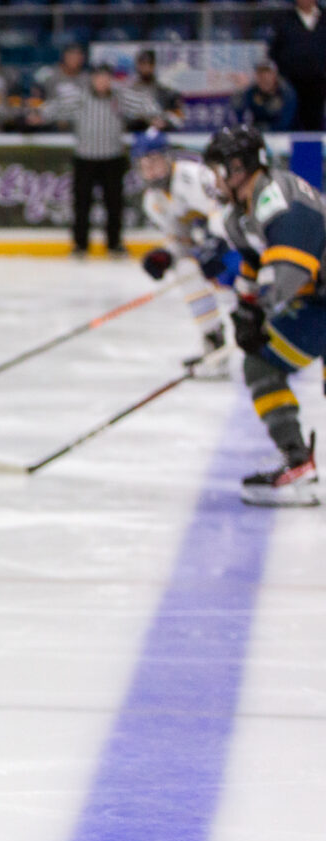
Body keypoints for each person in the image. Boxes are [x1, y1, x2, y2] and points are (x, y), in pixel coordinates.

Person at [198, 125, 322, 506]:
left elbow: (289, 273)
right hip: (318, 302)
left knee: (262, 364)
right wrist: (245, 309)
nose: (213, 179)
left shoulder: (278, 199)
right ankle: (299, 465)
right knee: (261, 364)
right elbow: (255, 265)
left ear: (238, 168)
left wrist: (259, 312)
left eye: (218, 169)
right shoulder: (241, 213)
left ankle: (300, 466)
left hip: (317, 299)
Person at [30, 63, 163, 258]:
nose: (102, 82)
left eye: (106, 78)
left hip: (113, 158)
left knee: (114, 204)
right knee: (82, 205)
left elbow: (144, 104)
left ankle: (114, 244)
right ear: (92, 79)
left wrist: (155, 116)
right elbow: (57, 106)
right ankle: (80, 245)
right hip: (85, 159)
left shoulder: (120, 97)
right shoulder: (79, 96)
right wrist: (39, 114)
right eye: (99, 78)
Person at [132, 129, 233, 378]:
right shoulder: (153, 200)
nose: (151, 170)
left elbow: (223, 210)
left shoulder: (192, 176)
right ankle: (214, 342)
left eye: (155, 161)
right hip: (215, 249)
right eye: (144, 164)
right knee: (185, 268)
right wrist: (166, 256)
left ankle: (265, 349)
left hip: (236, 242)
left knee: (236, 293)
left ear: (168, 158)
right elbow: (181, 242)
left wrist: (215, 241)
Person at [268, 0, 326, 132]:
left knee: (314, 120)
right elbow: (274, 50)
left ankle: (313, 144)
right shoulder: (285, 19)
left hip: (319, 80)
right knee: (290, 118)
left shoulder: (324, 18)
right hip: (290, 81)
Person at [229, 59, 298, 132]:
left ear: (274, 76)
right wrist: (240, 91)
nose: (264, 78)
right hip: (258, 131)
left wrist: (267, 129)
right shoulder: (252, 91)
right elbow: (238, 112)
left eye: (268, 74)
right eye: (260, 75)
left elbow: (286, 121)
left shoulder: (286, 93)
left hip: (285, 133)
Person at [128, 50, 185, 131]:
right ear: (137, 66)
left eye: (149, 64)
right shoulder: (129, 92)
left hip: (162, 135)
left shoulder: (166, 91)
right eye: (143, 64)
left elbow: (179, 118)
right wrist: (147, 122)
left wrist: (165, 122)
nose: (146, 68)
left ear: (154, 66)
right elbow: (125, 119)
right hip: (136, 135)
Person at [31, 43, 87, 108]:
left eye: (78, 55)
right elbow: (34, 95)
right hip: (51, 111)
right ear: (63, 56)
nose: (74, 58)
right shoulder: (47, 72)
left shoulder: (88, 77)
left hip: (79, 112)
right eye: (71, 55)